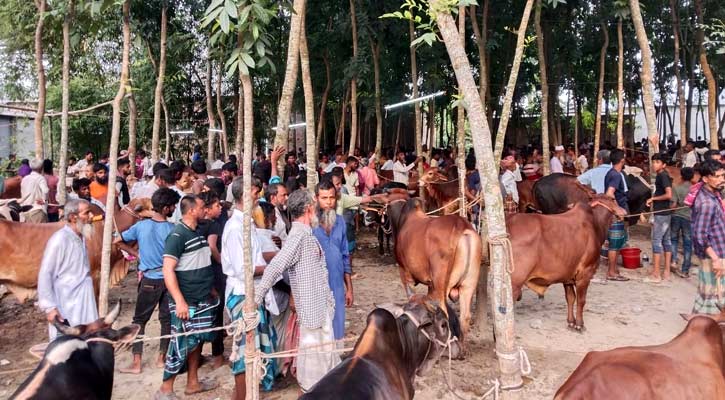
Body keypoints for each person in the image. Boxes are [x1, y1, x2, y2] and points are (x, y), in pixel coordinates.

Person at [254, 189, 340, 393]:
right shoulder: (299, 237)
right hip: (312, 314)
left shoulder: (305, 235)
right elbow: (275, 267)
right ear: (309, 208)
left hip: (319, 310)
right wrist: (256, 299)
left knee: (325, 363)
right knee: (313, 369)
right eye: (315, 206)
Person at [157, 195, 219, 399]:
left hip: (202, 299)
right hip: (187, 302)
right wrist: (180, 301)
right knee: (180, 344)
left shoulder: (197, 233)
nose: (205, 210)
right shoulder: (177, 236)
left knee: (197, 341)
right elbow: (168, 270)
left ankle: (193, 382)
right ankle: (166, 388)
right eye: (202, 206)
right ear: (191, 210)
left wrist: (210, 289)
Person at [221, 177, 278, 399]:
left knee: (255, 352)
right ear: (245, 194)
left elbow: (255, 258)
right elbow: (244, 268)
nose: (259, 196)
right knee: (245, 353)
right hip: (242, 294)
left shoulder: (248, 223)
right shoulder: (235, 228)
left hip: (255, 292)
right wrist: (272, 268)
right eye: (256, 192)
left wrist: (276, 258)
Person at [115, 188, 180, 374]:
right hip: (168, 279)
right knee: (166, 320)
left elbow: (117, 240)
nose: (174, 208)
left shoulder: (141, 226)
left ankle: (136, 362)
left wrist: (137, 254)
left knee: (139, 321)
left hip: (149, 279)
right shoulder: (172, 230)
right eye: (173, 205)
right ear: (166, 208)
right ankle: (162, 358)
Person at [37, 199, 98, 340]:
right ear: (73, 217)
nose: (91, 217)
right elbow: (46, 273)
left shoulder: (80, 237)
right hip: (67, 300)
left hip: (84, 297)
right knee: (67, 344)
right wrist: (49, 307)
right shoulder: (60, 239)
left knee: (87, 340)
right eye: (86, 213)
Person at [313, 180, 353, 343]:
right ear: (316, 199)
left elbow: (345, 255)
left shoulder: (340, 221)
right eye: (324, 198)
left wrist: (349, 288)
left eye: (331, 197)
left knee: (337, 328)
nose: (328, 202)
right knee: (319, 331)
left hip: (337, 283)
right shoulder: (310, 223)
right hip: (316, 284)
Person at [196, 191, 226, 369]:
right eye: (216, 206)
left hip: (201, 273)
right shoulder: (213, 226)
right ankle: (218, 356)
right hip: (215, 273)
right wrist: (222, 262)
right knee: (217, 314)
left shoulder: (196, 226)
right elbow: (212, 246)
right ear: (207, 209)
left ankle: (197, 354)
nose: (220, 208)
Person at [691, 160, 725, 314]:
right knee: (712, 296)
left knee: (709, 294)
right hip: (713, 255)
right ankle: (703, 331)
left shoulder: (713, 194)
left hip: (718, 251)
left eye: (723, 175)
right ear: (705, 179)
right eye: (717, 177)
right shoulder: (706, 203)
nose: (722, 179)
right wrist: (716, 259)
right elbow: (699, 235)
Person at [644, 154, 673, 283]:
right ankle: (666, 271)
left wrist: (653, 198)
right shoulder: (663, 175)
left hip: (661, 213)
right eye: (653, 162)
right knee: (666, 241)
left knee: (656, 241)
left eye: (657, 162)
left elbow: (668, 195)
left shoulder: (663, 176)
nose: (654, 164)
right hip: (665, 212)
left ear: (664, 165)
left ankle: (656, 273)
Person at [604, 149, 630, 281]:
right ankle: (611, 272)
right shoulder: (616, 175)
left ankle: (613, 270)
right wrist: (618, 209)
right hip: (615, 215)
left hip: (613, 212)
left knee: (617, 242)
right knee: (614, 244)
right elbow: (609, 193)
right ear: (622, 160)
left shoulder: (611, 173)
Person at [671, 167, 695, 278]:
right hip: (689, 218)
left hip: (676, 215)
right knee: (687, 244)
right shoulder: (695, 190)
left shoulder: (676, 187)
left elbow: (673, 205)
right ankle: (685, 270)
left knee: (674, 239)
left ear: (681, 175)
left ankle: (674, 261)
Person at [20, 158, 49, 223]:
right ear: (41, 168)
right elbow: (46, 191)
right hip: (37, 211)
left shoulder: (25, 179)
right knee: (41, 232)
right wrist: (45, 200)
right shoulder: (40, 178)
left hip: (25, 211)